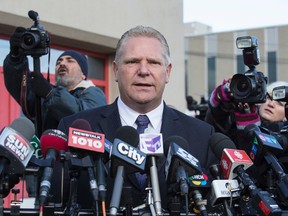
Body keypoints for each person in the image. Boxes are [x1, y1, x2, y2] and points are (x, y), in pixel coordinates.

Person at [57, 25, 218, 212]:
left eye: (153, 62)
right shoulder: (74, 128)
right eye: (132, 61)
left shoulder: (203, 135)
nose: (143, 71)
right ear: (116, 70)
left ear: (167, 72)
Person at [3, 27, 107, 134]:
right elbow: (21, 89)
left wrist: (50, 94)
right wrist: (15, 57)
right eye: (58, 62)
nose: (62, 64)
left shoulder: (93, 93)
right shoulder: (47, 95)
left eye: (70, 61)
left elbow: (86, 119)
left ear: (83, 75)